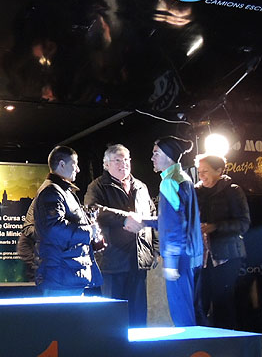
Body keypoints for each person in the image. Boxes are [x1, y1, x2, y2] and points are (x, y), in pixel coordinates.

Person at [84, 144, 158, 326]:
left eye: (126, 160)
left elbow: (152, 216)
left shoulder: (141, 187)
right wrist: (124, 218)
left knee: (138, 316)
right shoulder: (97, 186)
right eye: (117, 160)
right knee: (114, 317)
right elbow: (93, 210)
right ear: (106, 164)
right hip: (113, 262)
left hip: (138, 261)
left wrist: (154, 249)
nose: (123, 164)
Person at [147, 136, 203, 326]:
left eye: (156, 153)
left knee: (182, 315)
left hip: (179, 258)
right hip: (192, 255)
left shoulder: (169, 182)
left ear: (169, 156)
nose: (152, 158)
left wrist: (171, 262)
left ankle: (191, 346)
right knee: (193, 311)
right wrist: (145, 221)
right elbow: (177, 219)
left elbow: (174, 225)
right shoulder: (184, 178)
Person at [33, 145, 103, 297]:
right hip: (62, 277)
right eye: (75, 164)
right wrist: (89, 231)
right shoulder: (52, 192)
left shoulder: (61, 191)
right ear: (62, 164)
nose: (78, 169)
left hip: (67, 275)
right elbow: (54, 228)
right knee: (62, 313)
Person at [193, 154, 250, 329]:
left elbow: (243, 223)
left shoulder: (233, 191)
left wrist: (215, 227)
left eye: (205, 171)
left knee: (223, 305)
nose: (201, 176)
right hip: (201, 258)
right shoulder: (196, 192)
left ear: (219, 171)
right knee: (199, 304)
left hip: (227, 256)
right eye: (199, 172)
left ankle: (227, 341)